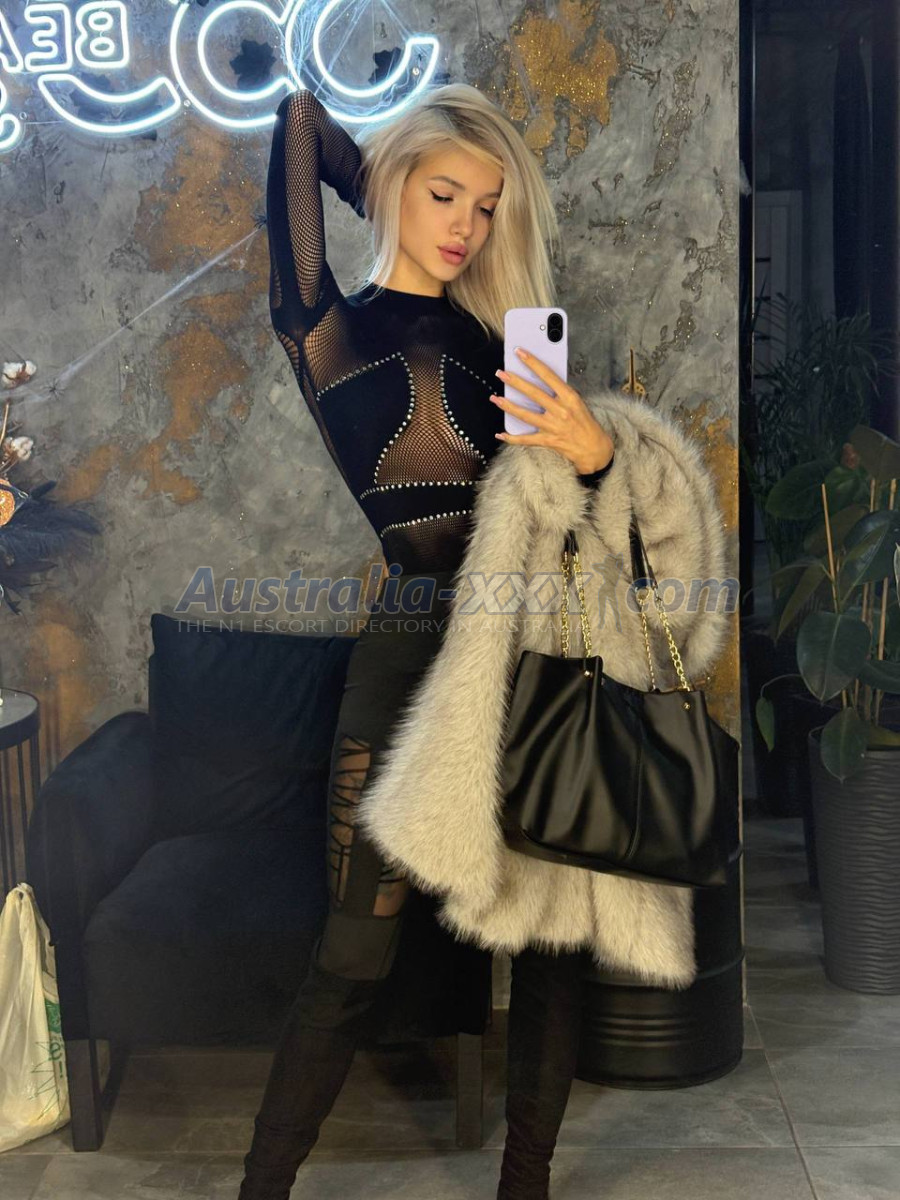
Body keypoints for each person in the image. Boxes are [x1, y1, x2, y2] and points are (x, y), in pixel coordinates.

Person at [238, 81, 617, 1200]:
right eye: (445, 194)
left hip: (533, 648)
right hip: (409, 652)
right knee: (353, 954)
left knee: (550, 949)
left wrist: (593, 455)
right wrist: (394, 177)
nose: (466, 225)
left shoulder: (506, 343)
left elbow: (578, 527)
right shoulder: (325, 329)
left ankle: (524, 1184)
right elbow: (298, 120)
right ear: (400, 183)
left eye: (487, 207)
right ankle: (261, 1188)